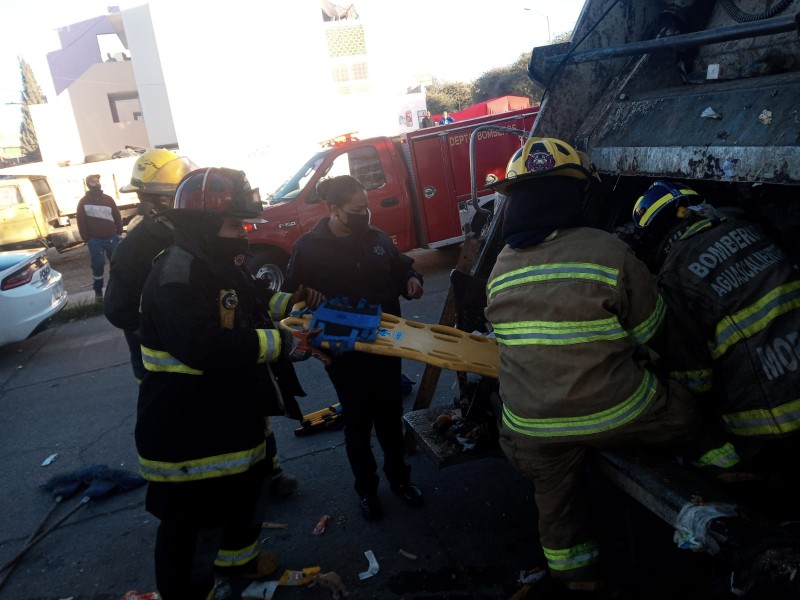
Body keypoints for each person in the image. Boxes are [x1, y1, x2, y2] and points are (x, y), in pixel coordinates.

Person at [483, 138, 700, 592]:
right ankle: (732, 476)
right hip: (616, 412)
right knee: (690, 414)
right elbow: (656, 332)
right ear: (575, 195)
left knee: (555, 504)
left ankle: (577, 579)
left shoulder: (500, 266)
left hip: (531, 426)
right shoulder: (607, 250)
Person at [135, 167, 323, 599]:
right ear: (204, 225)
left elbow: (252, 298)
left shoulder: (215, 261)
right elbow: (204, 345)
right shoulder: (177, 276)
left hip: (230, 416)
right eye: (236, 225)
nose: (244, 233)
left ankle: (240, 564)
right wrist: (285, 343)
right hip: (189, 431)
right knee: (194, 527)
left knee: (246, 494)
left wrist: (290, 303)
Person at [631, 180, 800, 474]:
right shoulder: (751, 230)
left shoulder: (674, 277)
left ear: (652, 237)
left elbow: (694, 381)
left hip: (771, 428)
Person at [283, 174, 425, 522]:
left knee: (389, 417)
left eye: (366, 207)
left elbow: (402, 268)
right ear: (334, 209)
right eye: (356, 210)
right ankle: (367, 491)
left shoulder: (377, 239)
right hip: (343, 352)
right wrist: (303, 295)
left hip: (386, 346)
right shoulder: (308, 247)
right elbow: (288, 295)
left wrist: (412, 280)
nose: (365, 215)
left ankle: (400, 479)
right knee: (358, 423)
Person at [104, 148, 197, 383]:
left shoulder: (190, 236)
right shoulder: (132, 250)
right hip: (163, 379)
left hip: (203, 365)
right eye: (179, 196)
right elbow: (119, 311)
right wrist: (164, 333)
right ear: (157, 201)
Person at [76, 173, 123, 302]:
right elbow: (81, 221)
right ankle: (98, 292)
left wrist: (119, 232)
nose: (96, 184)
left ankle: (117, 289)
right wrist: (87, 238)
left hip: (111, 238)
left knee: (116, 263)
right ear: (88, 185)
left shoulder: (108, 199)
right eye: (93, 182)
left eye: (97, 181)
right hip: (95, 240)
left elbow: (117, 215)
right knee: (98, 265)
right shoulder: (83, 202)